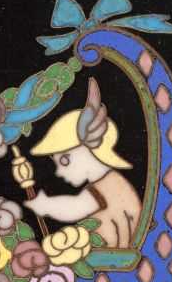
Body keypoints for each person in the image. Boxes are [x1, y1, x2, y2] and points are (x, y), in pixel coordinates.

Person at [24, 78, 141, 248]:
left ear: (89, 148)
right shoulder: (110, 181)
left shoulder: (109, 185)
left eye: (65, 160)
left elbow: (77, 207)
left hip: (113, 254)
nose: (58, 172)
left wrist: (46, 205)